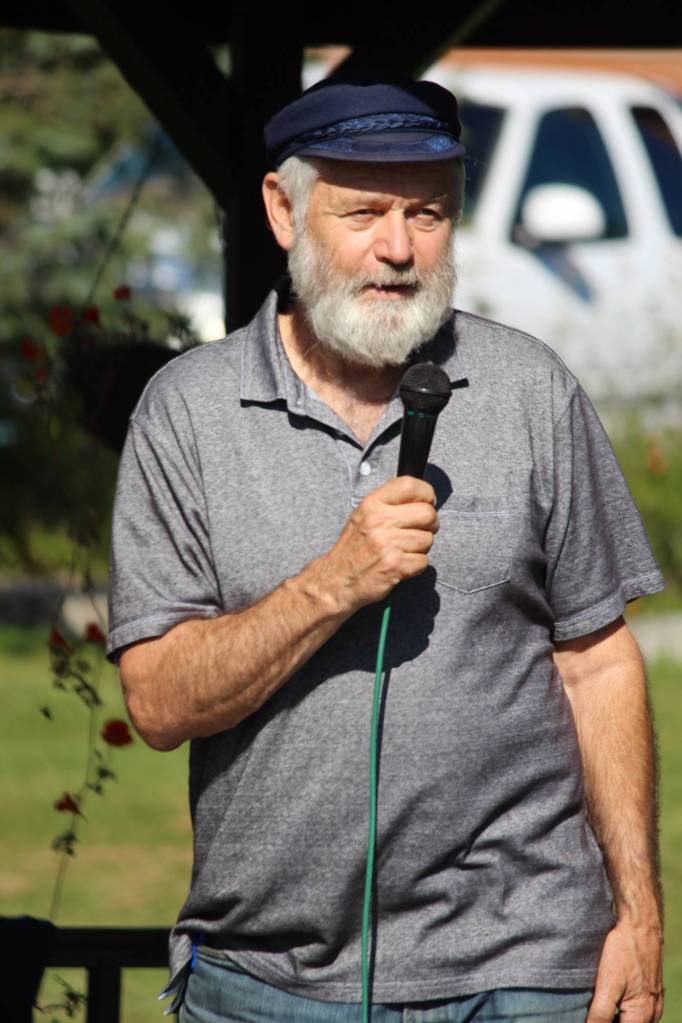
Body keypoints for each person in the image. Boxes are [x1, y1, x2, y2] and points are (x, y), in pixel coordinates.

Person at [106, 74, 665, 1023]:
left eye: (429, 214)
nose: (399, 247)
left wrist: (641, 915)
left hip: (521, 966)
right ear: (284, 212)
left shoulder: (531, 391)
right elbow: (158, 701)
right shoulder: (188, 413)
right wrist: (332, 584)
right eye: (364, 212)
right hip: (269, 981)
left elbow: (599, 661)